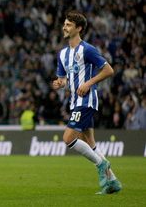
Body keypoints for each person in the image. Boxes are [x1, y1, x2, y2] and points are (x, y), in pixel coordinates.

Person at [52, 11, 122, 194]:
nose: (64, 28)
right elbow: (64, 79)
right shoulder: (63, 54)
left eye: (68, 25)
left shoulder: (88, 49)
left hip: (86, 100)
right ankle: (112, 181)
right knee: (90, 144)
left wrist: (89, 83)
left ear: (79, 28)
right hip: (75, 101)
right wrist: (60, 83)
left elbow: (109, 70)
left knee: (68, 138)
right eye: (64, 24)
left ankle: (101, 164)